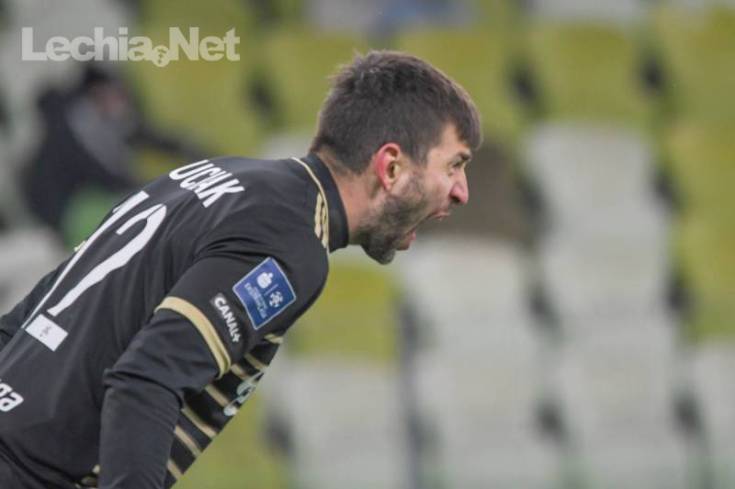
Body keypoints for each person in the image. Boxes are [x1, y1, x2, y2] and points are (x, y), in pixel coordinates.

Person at [0, 50, 481, 489]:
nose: (461, 191)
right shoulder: (290, 241)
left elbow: (18, 324)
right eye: (453, 165)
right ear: (391, 167)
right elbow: (146, 379)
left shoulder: (213, 176)